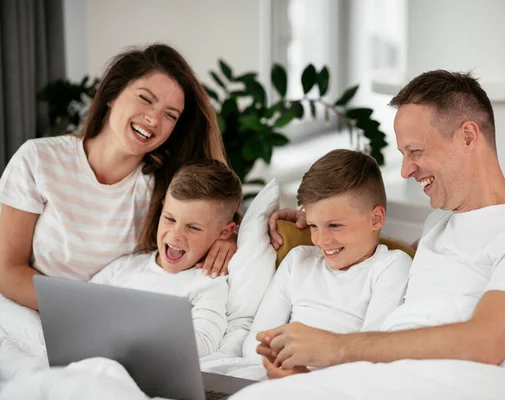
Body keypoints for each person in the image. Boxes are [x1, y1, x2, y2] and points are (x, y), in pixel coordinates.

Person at [235, 70, 505, 400]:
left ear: (468, 136)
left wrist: (335, 349)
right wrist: (321, 221)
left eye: (415, 151)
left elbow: (485, 344)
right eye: (403, 154)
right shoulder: (437, 227)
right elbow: (381, 261)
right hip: (401, 380)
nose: (405, 170)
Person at [0, 43, 236, 311]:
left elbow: (213, 218)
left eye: (170, 115)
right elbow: (7, 269)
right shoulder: (39, 159)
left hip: (115, 328)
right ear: (112, 94)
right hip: (32, 315)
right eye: (145, 99)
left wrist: (228, 239)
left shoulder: (165, 188)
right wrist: (85, 310)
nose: (153, 119)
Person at [240, 149, 412, 378]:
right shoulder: (299, 260)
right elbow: (256, 342)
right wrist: (280, 364)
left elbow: (372, 351)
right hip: (271, 374)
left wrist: (301, 374)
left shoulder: (390, 266)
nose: (321, 240)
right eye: (313, 226)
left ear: (376, 219)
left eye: (334, 226)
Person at [91, 160, 242, 358]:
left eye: (193, 227)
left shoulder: (208, 283)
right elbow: (84, 308)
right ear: (162, 209)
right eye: (170, 219)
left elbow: (205, 341)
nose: (175, 235)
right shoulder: (126, 267)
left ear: (224, 232)